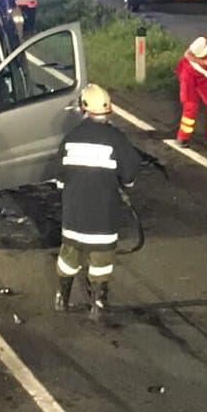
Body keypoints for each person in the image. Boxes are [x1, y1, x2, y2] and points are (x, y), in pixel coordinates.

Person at [54, 82, 140, 319]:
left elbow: (59, 176)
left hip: (74, 216)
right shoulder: (116, 139)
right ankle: (98, 305)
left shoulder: (71, 138)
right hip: (103, 217)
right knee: (101, 262)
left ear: (84, 108)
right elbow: (130, 173)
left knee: (68, 258)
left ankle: (62, 298)